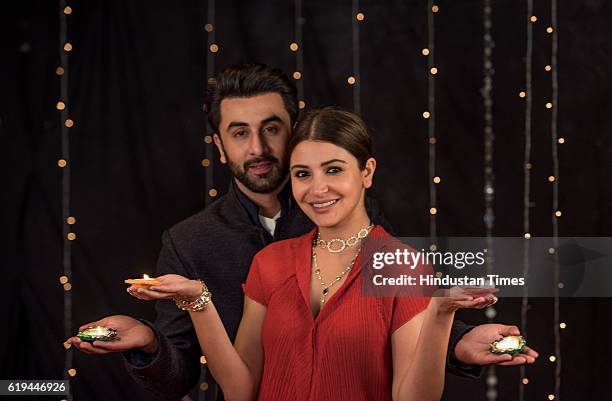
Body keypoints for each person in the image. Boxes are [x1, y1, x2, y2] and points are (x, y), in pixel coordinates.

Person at [67, 63, 537, 401]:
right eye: (239, 133)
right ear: (220, 143)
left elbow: (397, 326)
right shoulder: (190, 243)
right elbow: (195, 376)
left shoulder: (368, 228)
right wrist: (152, 340)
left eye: (272, 129)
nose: (257, 148)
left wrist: (453, 336)